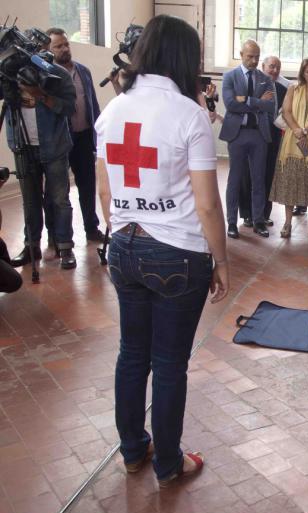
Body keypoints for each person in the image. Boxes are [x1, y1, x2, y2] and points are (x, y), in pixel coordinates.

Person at [95, 14, 229, 486]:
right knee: (169, 363)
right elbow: (208, 204)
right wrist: (222, 259)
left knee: (132, 353)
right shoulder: (189, 114)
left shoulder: (112, 111)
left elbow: (105, 192)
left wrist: (125, 231)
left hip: (123, 247)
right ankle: (169, 464)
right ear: (183, 58)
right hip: (176, 254)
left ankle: (134, 451)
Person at [1, 49, 77, 269]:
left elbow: (69, 108)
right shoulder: (9, 73)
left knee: (59, 200)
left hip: (54, 146)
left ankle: (65, 247)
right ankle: (31, 246)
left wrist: (40, 94)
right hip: (22, 145)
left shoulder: (57, 73)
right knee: (30, 200)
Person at [45, 28, 104, 243]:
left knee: (87, 186)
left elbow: (92, 104)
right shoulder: (48, 76)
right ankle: (55, 235)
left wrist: (98, 134)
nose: (64, 49)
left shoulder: (83, 71)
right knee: (55, 192)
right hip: (60, 140)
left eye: (66, 44)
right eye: (58, 46)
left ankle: (91, 228)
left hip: (84, 137)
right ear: (48, 50)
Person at [219, 40, 275, 239]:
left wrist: (247, 100)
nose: (253, 60)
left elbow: (271, 107)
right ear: (241, 53)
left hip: (259, 134)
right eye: (250, 56)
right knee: (235, 178)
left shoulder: (265, 79)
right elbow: (231, 104)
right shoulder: (230, 77)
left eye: (257, 57)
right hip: (237, 134)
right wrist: (258, 102)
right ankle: (232, 222)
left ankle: (258, 220)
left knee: (258, 179)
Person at [269, 57, 308, 240]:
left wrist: (305, 129)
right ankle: (287, 222)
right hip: (292, 140)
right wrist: (296, 129)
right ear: (302, 73)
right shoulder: (293, 88)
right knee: (291, 180)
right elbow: (286, 111)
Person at [259, 55, 288, 227]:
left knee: (269, 175)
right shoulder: (255, 86)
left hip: (275, 137)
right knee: (253, 176)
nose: (275, 70)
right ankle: (249, 214)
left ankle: (265, 213)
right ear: (263, 67)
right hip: (256, 136)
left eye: (278, 67)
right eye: (271, 66)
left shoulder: (282, 88)